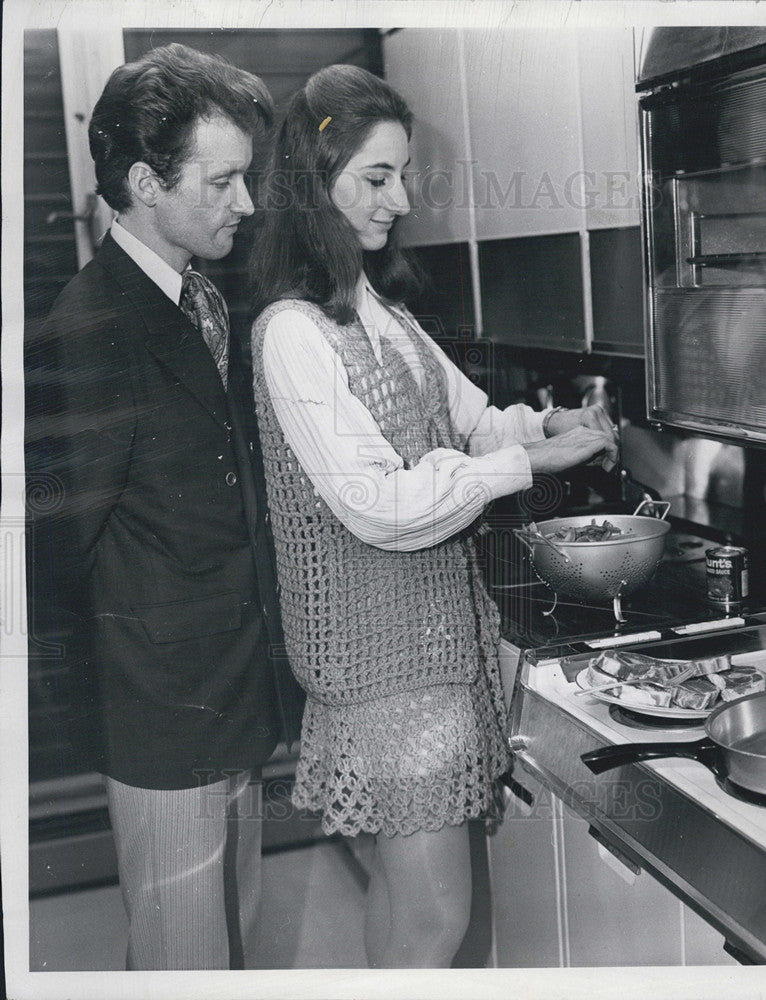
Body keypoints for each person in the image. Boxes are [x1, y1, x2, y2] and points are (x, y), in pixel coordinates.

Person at [249, 64, 618, 968]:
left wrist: (543, 424)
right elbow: (380, 506)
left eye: (402, 174)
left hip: (428, 657)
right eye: (376, 177)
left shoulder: (383, 313)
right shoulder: (293, 333)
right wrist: (522, 461)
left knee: (410, 911)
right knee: (434, 918)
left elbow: (471, 423)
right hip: (384, 673)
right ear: (313, 181)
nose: (400, 198)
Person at [25, 43, 303, 970]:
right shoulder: (90, 328)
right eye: (221, 181)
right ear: (144, 181)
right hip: (157, 720)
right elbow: (52, 555)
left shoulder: (199, 298)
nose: (248, 203)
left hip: (229, 698)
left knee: (235, 945)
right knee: (185, 963)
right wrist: (110, 713)